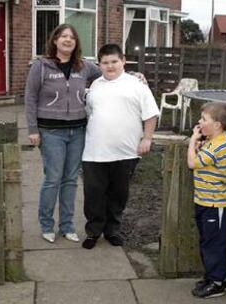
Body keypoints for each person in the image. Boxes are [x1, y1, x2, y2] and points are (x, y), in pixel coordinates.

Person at [24, 24, 101, 243]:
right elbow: (30, 97)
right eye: (64, 36)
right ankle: (46, 224)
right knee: (53, 179)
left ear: (76, 43)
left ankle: (67, 225)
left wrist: (134, 75)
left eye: (72, 37)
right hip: (51, 132)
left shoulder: (83, 66)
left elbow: (109, 70)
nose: (68, 40)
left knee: (70, 180)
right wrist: (32, 130)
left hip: (77, 131)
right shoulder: (41, 66)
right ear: (55, 40)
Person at [81, 44, 159, 249]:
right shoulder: (94, 86)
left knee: (118, 195)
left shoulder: (137, 85)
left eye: (114, 61)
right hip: (95, 152)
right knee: (94, 194)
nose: (110, 66)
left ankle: (112, 230)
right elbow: (90, 113)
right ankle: (93, 232)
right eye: (105, 63)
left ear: (123, 61)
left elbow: (151, 114)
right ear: (99, 65)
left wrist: (147, 139)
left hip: (126, 152)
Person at [187, 102, 226, 298]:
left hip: (215, 205)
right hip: (204, 202)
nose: (199, 122)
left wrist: (192, 142)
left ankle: (218, 282)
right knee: (207, 241)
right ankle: (212, 276)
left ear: (217, 125)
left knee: (213, 244)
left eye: (204, 119)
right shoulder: (212, 141)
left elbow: (192, 163)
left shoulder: (219, 144)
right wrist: (200, 143)